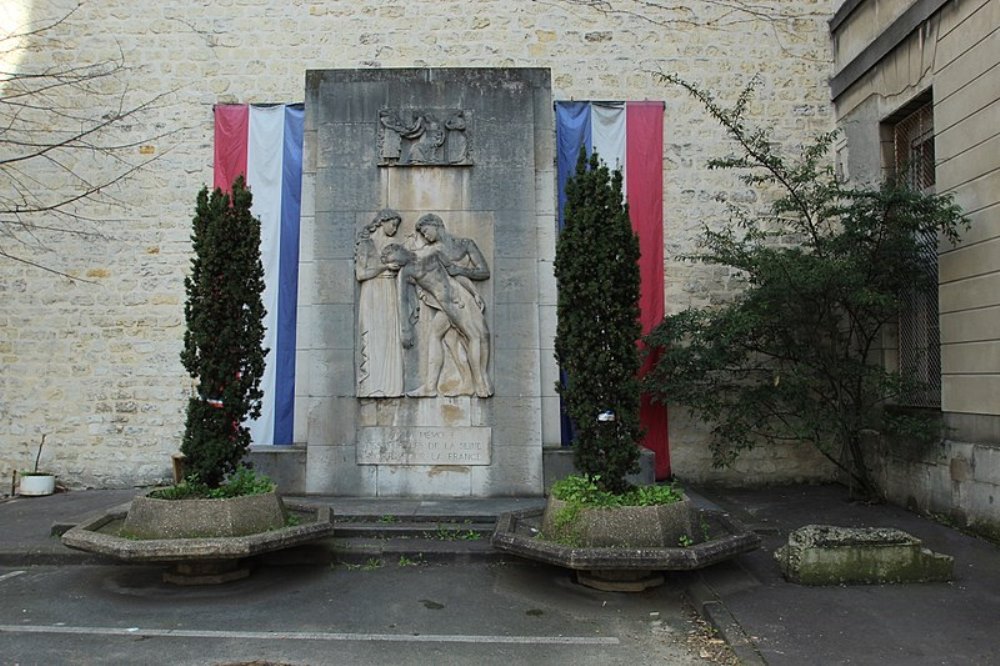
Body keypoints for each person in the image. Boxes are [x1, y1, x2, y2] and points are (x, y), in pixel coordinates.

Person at [382, 214, 493, 398]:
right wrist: (405, 329)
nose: (393, 264)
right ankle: (438, 386)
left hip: (457, 299)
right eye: (390, 263)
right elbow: (403, 302)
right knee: (441, 336)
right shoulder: (406, 272)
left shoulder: (432, 253)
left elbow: (454, 274)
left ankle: (479, 382)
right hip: (446, 305)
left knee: (476, 336)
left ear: (399, 250)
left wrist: (474, 293)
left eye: (393, 259)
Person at [354, 209, 404, 397]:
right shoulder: (366, 244)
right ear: (383, 222)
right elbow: (361, 274)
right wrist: (384, 267)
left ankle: (390, 386)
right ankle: (371, 386)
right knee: (374, 336)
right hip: (373, 293)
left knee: (389, 336)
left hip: (388, 291)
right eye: (393, 224)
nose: (394, 229)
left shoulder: (392, 245)